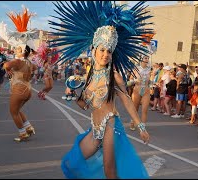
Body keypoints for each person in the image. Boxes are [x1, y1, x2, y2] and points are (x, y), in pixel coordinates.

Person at [50, 1, 152, 178]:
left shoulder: (114, 76)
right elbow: (84, 105)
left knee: (109, 169)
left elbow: (127, 101)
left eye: (109, 51)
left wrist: (141, 126)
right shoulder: (87, 77)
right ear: (94, 49)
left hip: (111, 125)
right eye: (102, 49)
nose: (105, 54)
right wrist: (74, 92)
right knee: (71, 163)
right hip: (95, 129)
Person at [3, 45, 37, 142]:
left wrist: (7, 67)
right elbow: (35, 68)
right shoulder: (29, 63)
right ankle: (29, 128)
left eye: (16, 49)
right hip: (28, 90)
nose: (14, 51)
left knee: (13, 112)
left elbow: (7, 65)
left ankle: (23, 133)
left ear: (21, 51)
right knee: (17, 110)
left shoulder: (18, 61)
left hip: (19, 89)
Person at [128, 55, 151, 130]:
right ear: (141, 59)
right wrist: (134, 81)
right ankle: (132, 122)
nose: (147, 59)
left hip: (146, 91)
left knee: (145, 109)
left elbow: (150, 81)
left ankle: (142, 127)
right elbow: (128, 82)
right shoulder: (136, 69)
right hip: (137, 90)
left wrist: (153, 83)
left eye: (148, 58)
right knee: (135, 108)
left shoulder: (150, 69)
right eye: (145, 58)